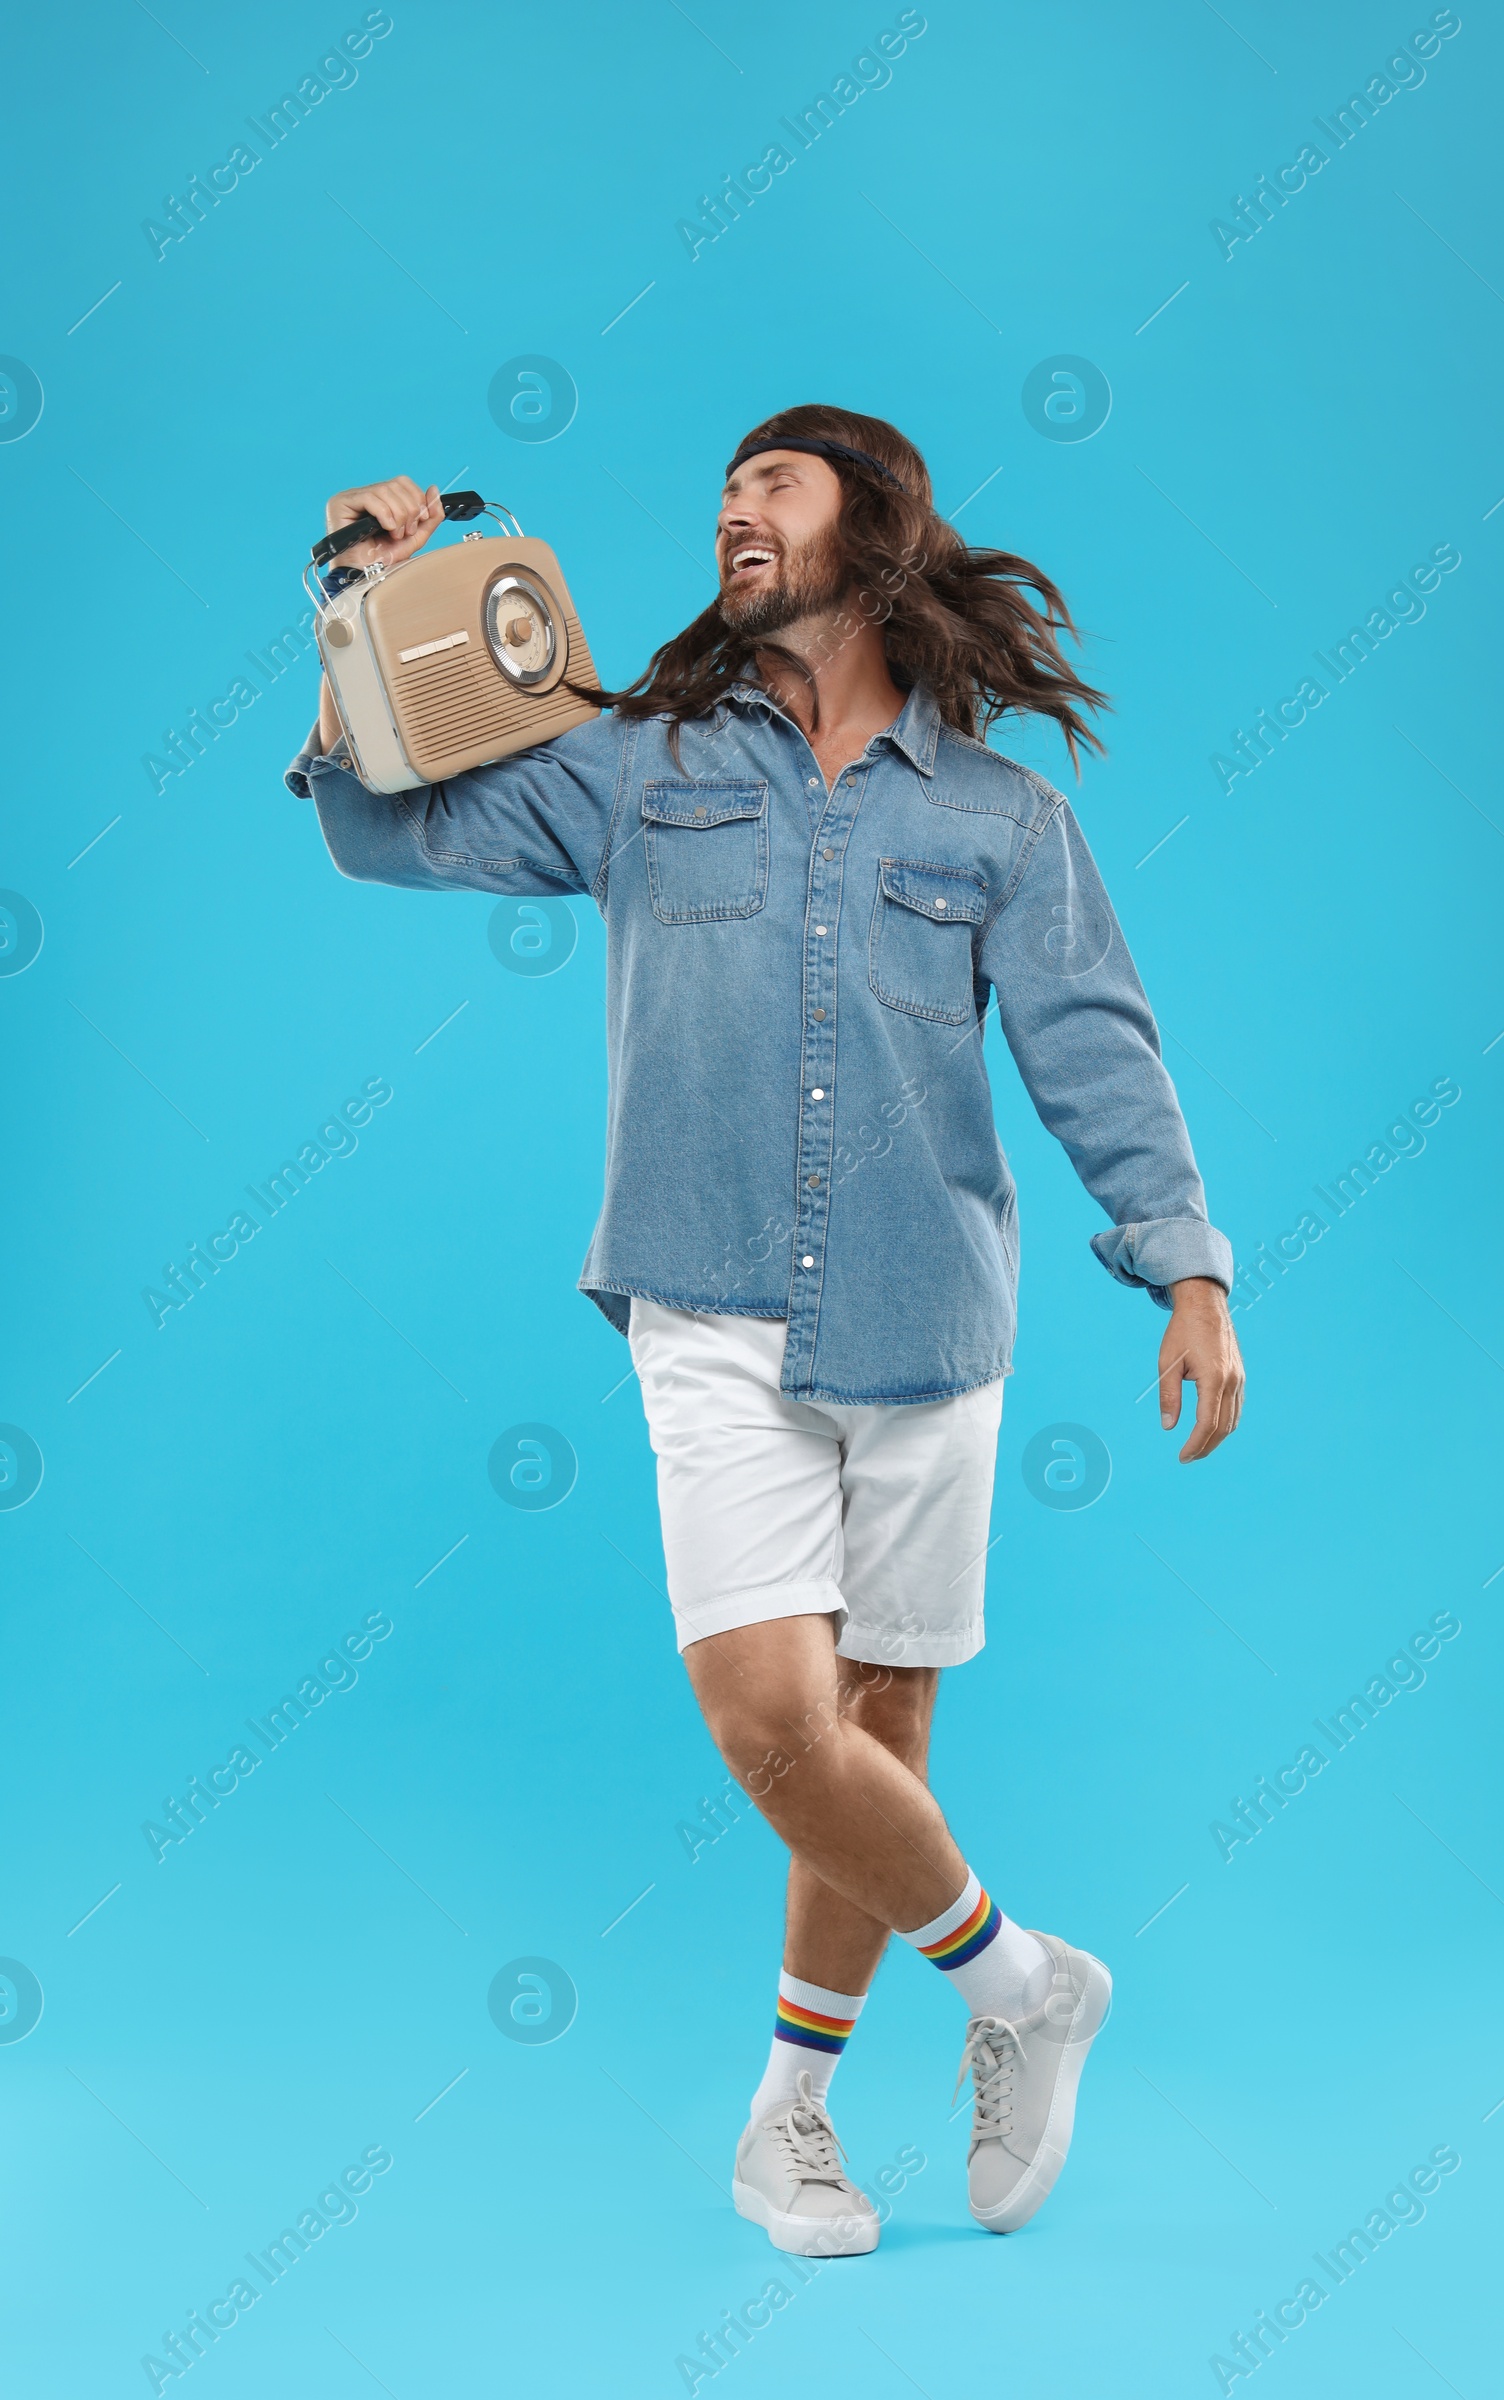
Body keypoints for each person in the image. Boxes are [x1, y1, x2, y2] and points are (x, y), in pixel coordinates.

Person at [286, 404, 1243, 2256]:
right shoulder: (635, 763)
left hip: (932, 1324)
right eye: (720, 486)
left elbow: (1092, 1045)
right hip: (705, 1305)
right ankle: (1029, 1991)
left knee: (877, 1733)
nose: (734, 510)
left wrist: (1183, 1262)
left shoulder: (1002, 820)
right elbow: (384, 830)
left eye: (775, 486)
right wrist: (361, 593)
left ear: (875, 534)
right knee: (778, 1730)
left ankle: (788, 2117)